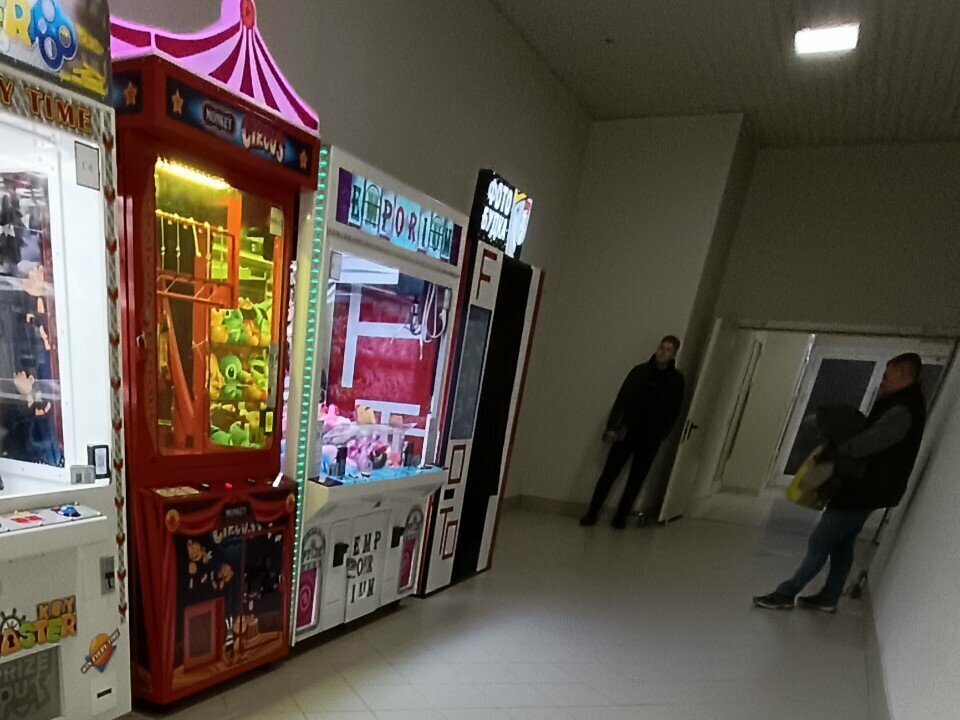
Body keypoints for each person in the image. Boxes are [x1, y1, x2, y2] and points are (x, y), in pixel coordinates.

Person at [753, 352, 927, 613]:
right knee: (842, 543)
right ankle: (829, 597)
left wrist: (840, 448)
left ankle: (786, 593)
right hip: (868, 486)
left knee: (819, 541)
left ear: (904, 374)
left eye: (887, 376)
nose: (882, 381)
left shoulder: (903, 408)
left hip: (866, 488)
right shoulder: (902, 402)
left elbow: (870, 443)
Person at [580, 336, 685, 529]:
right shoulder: (639, 372)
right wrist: (612, 426)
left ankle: (620, 516)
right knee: (609, 473)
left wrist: (662, 433)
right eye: (662, 347)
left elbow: (674, 411)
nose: (663, 352)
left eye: (668, 349)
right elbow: (621, 399)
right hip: (627, 431)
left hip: (651, 437)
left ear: (674, 353)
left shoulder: (676, 381)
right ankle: (592, 512)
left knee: (636, 478)